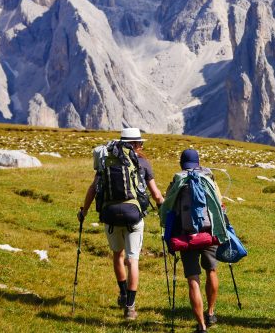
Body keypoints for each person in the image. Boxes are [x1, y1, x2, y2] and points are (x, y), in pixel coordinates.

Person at [78, 127, 164, 320]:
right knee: (133, 259)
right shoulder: (142, 162)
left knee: (118, 254)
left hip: (110, 214)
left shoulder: (106, 160)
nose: (142, 146)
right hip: (134, 216)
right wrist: (163, 210)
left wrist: (84, 211)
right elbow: (156, 195)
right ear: (134, 144)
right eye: (140, 143)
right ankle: (130, 307)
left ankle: (123, 293)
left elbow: (93, 188)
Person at [169, 149, 221, 333]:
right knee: (212, 270)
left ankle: (201, 326)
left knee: (193, 278)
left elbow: (170, 209)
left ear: (181, 164)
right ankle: (211, 312)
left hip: (187, 235)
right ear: (198, 163)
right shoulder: (209, 178)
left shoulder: (178, 180)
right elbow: (219, 204)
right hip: (209, 233)